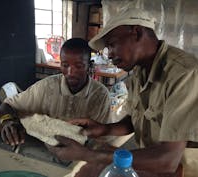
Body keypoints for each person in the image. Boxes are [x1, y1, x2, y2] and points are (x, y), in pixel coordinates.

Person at [47, 8, 198, 177]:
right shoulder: (139, 71)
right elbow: (133, 121)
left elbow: (168, 160)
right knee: (94, 163)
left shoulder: (184, 74)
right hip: (154, 159)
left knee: (95, 165)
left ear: (137, 32)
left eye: (111, 44)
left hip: (180, 169)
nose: (109, 54)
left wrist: (87, 155)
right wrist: (103, 129)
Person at [0, 38, 111, 146]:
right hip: (43, 149)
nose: (70, 72)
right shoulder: (46, 86)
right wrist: (7, 121)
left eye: (79, 66)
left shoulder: (100, 95)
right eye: (65, 65)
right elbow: (7, 105)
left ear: (90, 66)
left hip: (81, 155)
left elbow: (103, 139)